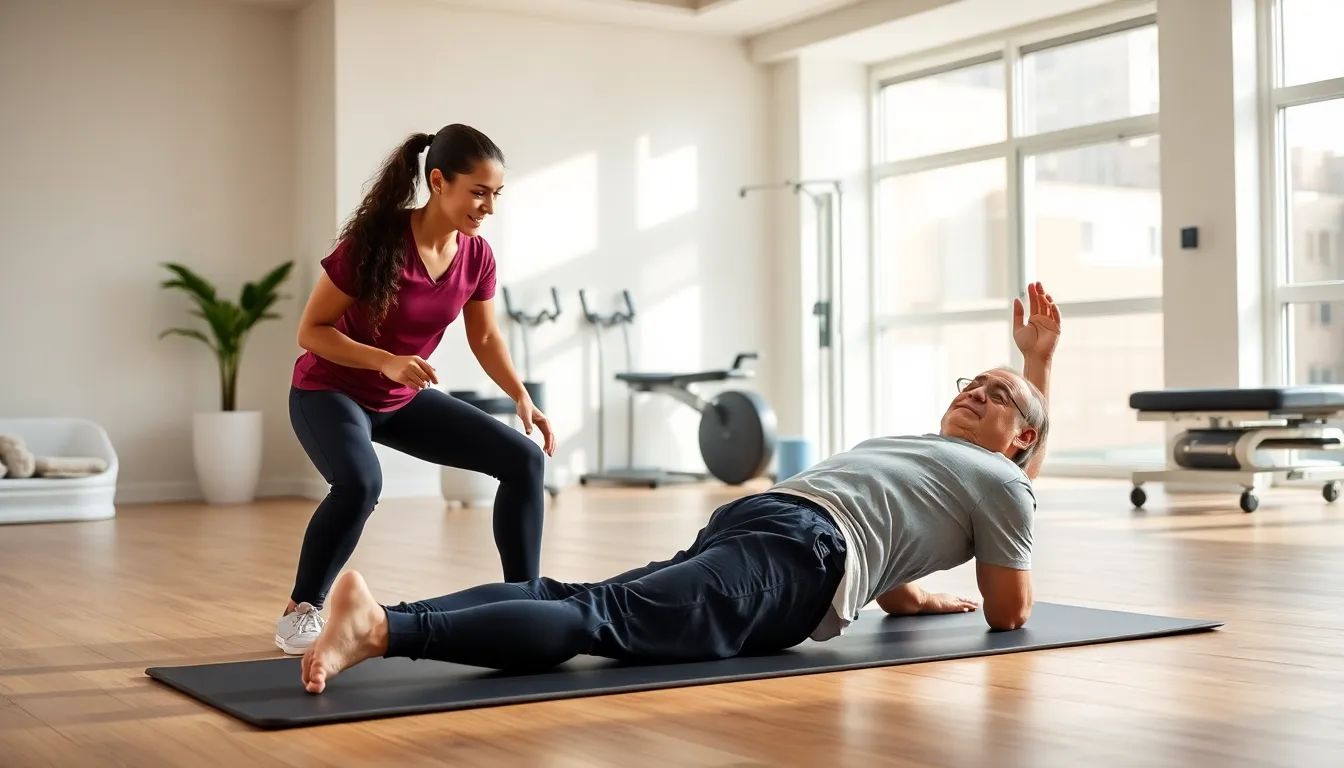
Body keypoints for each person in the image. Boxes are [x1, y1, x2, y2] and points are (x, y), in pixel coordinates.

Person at [297, 283, 1063, 693]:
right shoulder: (937, 454)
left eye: (996, 394)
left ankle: (387, 626)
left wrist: (1039, 367)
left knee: (589, 605)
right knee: (588, 604)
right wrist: (914, 592)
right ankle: (385, 625)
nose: (976, 392)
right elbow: (927, 566)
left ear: (1022, 437)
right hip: (780, 530)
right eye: (973, 382)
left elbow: (1008, 605)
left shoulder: (1002, 480)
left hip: (791, 547)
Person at [275, 124, 558, 656]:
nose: (488, 207)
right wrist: (385, 361)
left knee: (523, 460)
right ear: (438, 182)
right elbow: (311, 332)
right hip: (328, 391)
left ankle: (526, 600)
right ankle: (301, 611)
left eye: (496, 194)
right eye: (478, 191)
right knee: (360, 484)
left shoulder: (477, 256)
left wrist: (522, 396)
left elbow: (486, 336)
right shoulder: (374, 243)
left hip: (399, 399)